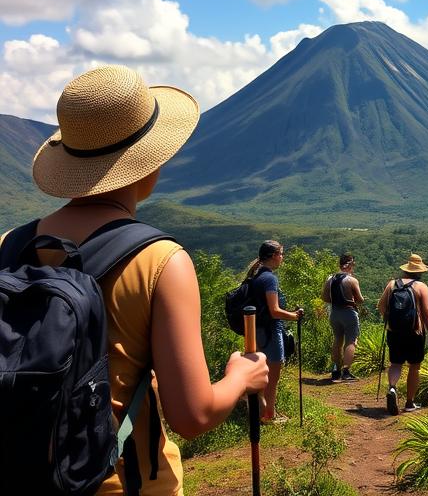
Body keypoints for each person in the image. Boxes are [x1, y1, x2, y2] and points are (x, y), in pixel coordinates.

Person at [0, 65, 269, 495]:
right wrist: (242, 376)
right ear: (149, 164)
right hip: (124, 484)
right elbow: (193, 415)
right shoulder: (162, 261)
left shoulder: (9, 246)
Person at [246, 240, 303, 423]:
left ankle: (261, 411)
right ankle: (269, 415)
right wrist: (295, 316)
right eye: (281, 254)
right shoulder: (270, 278)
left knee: (262, 374)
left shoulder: (256, 276)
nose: (282, 258)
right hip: (271, 332)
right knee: (273, 376)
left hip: (258, 331)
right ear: (273, 256)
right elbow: (274, 310)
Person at [377, 253, 428, 415]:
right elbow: (426, 312)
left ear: (406, 269)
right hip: (415, 332)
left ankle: (393, 388)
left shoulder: (392, 284)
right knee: (414, 367)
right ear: (419, 271)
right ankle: (409, 402)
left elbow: (381, 307)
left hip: (394, 331)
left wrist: (390, 320)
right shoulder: (421, 287)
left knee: (396, 363)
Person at [322, 253, 364, 382]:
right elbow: (360, 299)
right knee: (351, 340)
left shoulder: (330, 278)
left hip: (334, 313)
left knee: (337, 339)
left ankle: (335, 369)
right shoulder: (352, 280)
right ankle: (346, 371)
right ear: (350, 264)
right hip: (349, 312)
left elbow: (324, 297)